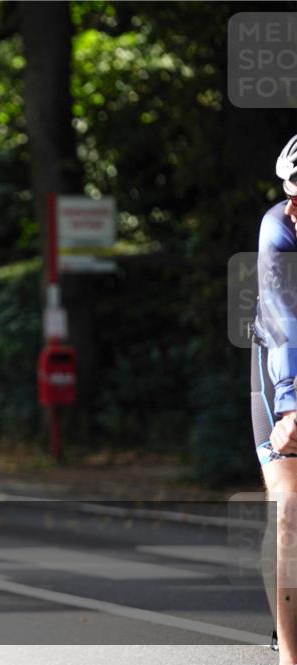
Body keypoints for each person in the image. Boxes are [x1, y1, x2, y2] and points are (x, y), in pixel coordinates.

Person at [251, 133, 297, 664]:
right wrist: (289, 406)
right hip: (281, 368)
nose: (294, 207)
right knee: (289, 506)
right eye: (290, 192)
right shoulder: (278, 228)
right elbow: (286, 320)